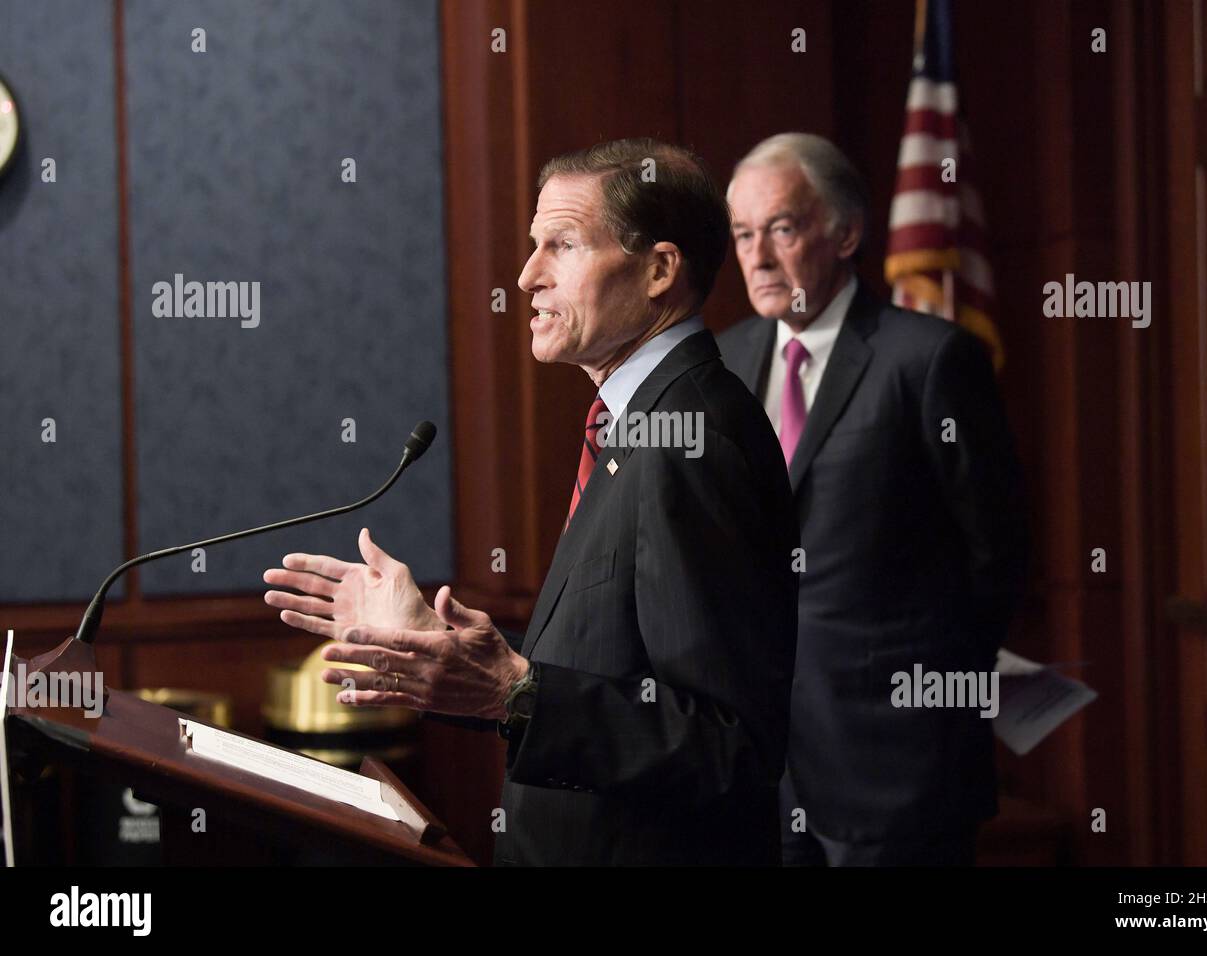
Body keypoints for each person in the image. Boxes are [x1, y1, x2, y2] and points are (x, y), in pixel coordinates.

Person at [263, 138, 799, 866]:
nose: (525, 277)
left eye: (563, 246)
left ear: (660, 271)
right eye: (531, 246)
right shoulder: (639, 425)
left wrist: (514, 692)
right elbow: (610, 677)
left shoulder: (693, 438)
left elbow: (728, 744)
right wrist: (450, 655)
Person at [716, 132, 1029, 866]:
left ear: (846, 232)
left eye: (783, 229)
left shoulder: (927, 359)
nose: (757, 256)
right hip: (761, 768)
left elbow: (999, 554)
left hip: (899, 768)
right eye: (742, 234)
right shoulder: (724, 360)